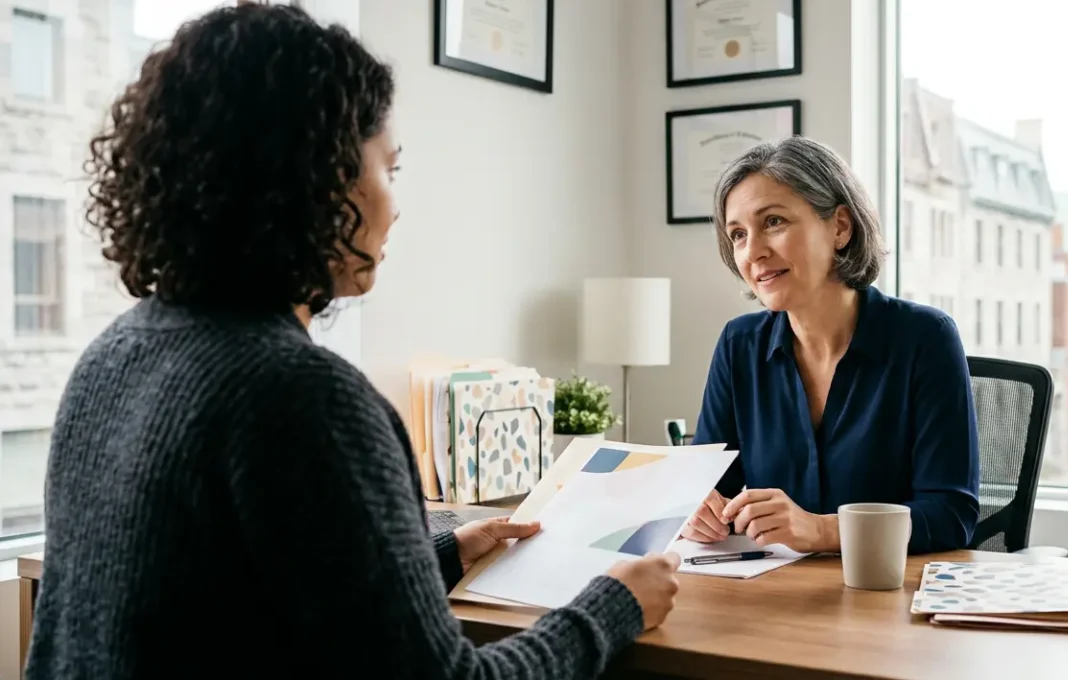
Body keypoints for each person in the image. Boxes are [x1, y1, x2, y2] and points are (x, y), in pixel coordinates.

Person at [25, 5, 679, 678]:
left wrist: (444, 552)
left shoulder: (111, 358)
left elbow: (235, 604)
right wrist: (614, 605)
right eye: (389, 170)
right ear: (316, 178)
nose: (395, 204)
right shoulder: (305, 398)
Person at [681, 137, 980, 556]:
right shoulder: (739, 345)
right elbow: (709, 490)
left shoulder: (925, 338)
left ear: (840, 227)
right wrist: (694, 509)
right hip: (774, 597)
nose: (754, 252)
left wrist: (821, 530)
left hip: (888, 597)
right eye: (738, 234)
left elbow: (951, 515)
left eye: (773, 223)